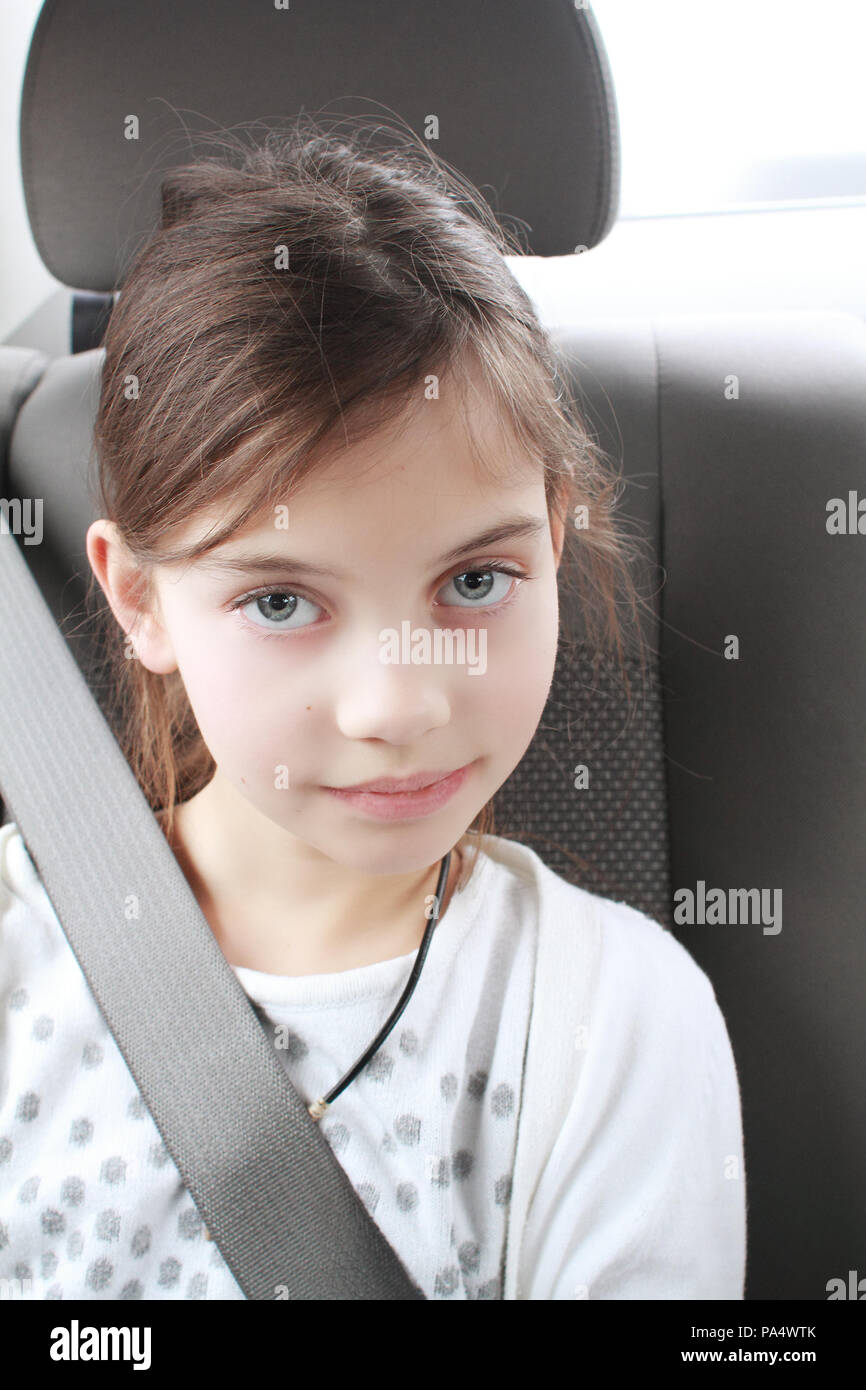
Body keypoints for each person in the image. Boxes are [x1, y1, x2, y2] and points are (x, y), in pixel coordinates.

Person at [0, 116, 746, 1300]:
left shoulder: (614, 1027)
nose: (395, 706)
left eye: (475, 582)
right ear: (140, 600)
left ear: (551, 546)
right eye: (284, 603)